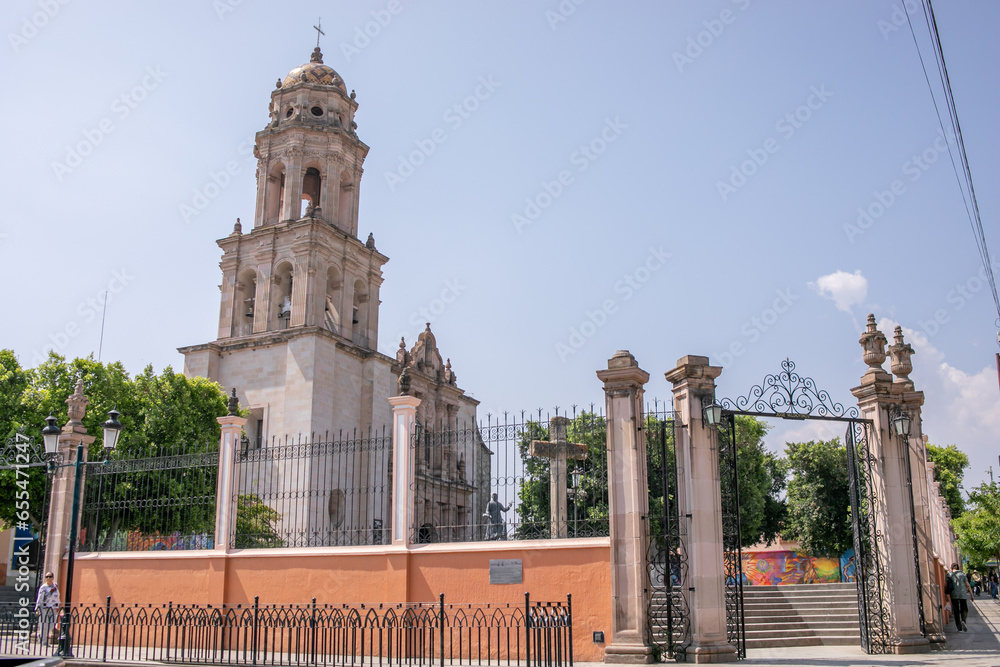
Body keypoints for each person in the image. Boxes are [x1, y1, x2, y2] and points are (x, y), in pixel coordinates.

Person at [947, 563, 974, 632]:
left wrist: (946, 595)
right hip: (962, 594)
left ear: (951, 568)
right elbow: (967, 585)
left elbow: (945, 585)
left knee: (956, 610)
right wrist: (971, 594)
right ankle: (963, 621)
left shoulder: (949, 574)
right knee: (964, 608)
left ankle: (959, 627)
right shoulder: (962, 574)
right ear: (958, 568)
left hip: (953, 594)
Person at [35, 572, 60, 644]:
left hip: (53, 608)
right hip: (44, 608)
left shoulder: (55, 586)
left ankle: (41, 635)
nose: (48, 578)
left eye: (50, 576)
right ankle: (44, 642)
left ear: (53, 577)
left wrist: (58, 605)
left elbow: (57, 596)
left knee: (52, 623)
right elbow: (40, 598)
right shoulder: (43, 587)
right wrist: (37, 609)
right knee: (44, 625)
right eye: (47, 577)